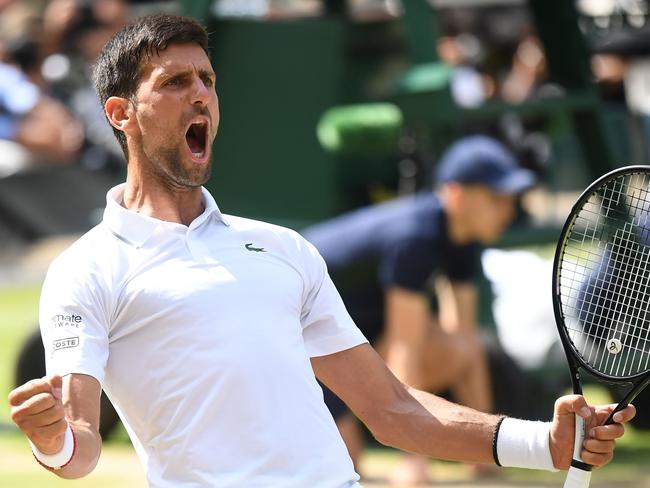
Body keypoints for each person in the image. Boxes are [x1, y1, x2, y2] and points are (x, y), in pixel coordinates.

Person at [7, 14, 635, 488]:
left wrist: (542, 443)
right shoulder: (85, 270)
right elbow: (81, 445)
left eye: (207, 79)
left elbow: (392, 407)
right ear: (122, 114)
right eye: (174, 82)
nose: (200, 94)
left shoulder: (286, 251)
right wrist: (53, 438)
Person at [302, 135, 536, 483]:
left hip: (353, 335)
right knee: (346, 466)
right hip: (300, 336)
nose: (508, 210)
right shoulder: (415, 238)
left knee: (458, 349)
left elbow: (465, 344)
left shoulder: (464, 239)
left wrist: (486, 454)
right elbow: (404, 348)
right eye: (495, 198)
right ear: (455, 194)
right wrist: (414, 458)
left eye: (509, 199)